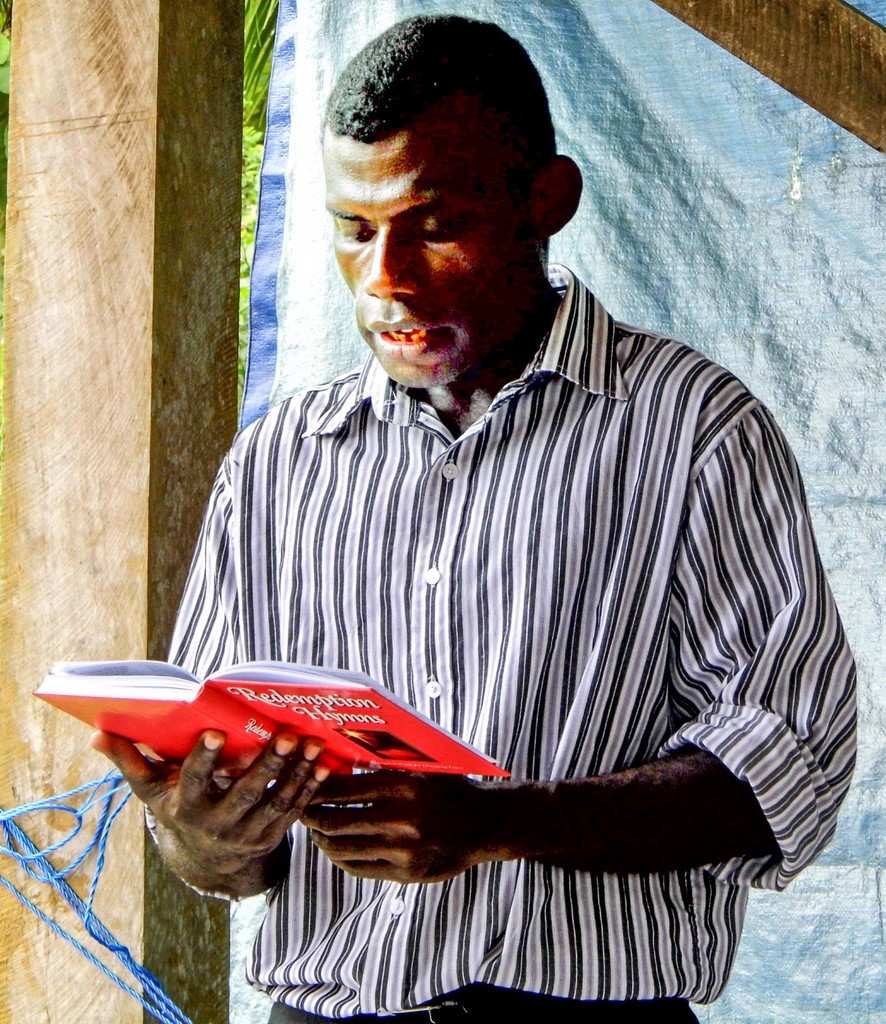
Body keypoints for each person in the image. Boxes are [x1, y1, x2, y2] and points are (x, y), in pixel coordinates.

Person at [93, 14, 856, 1024]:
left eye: (434, 226)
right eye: (354, 231)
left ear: (547, 202)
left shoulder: (692, 430)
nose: (386, 280)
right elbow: (224, 848)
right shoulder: (278, 463)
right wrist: (204, 838)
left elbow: (788, 768)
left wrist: (497, 821)